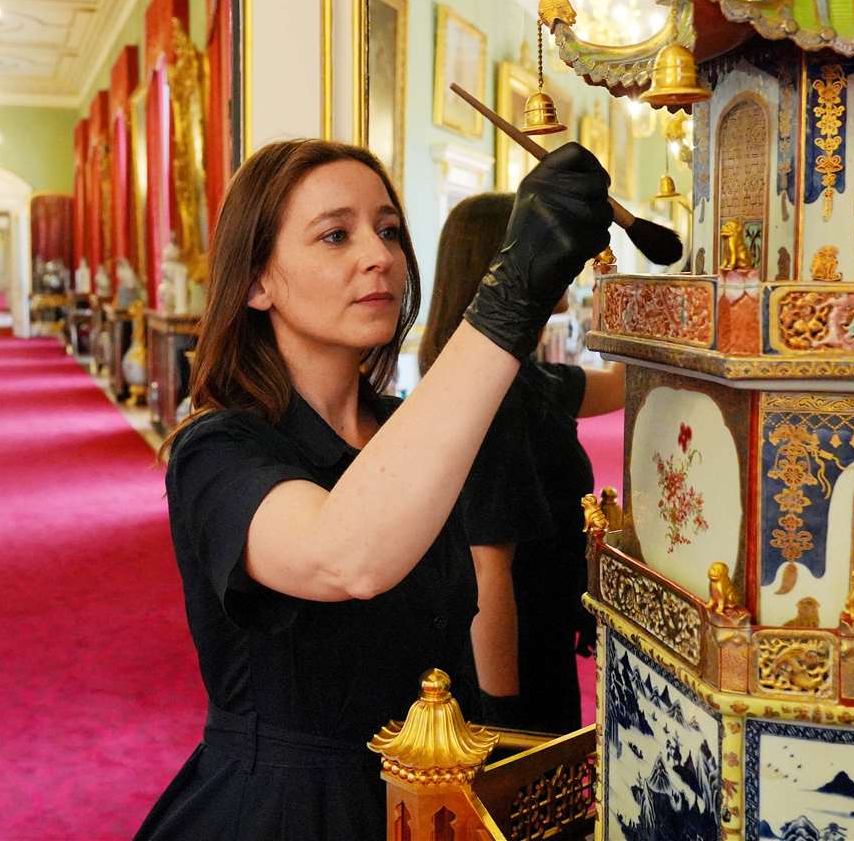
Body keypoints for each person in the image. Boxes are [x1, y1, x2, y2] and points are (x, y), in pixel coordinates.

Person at [136, 139, 612, 840]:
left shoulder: (403, 431)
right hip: (289, 814)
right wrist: (509, 296)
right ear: (257, 282)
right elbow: (345, 555)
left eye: (388, 230)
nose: (380, 256)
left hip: (428, 805)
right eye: (336, 235)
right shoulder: (218, 450)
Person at [420, 193, 625, 735]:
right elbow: (490, 571)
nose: (563, 259)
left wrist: (625, 305)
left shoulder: (519, 378)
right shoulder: (496, 398)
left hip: (542, 630)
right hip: (516, 656)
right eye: (548, 246)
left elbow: (619, 387)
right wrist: (506, 723)